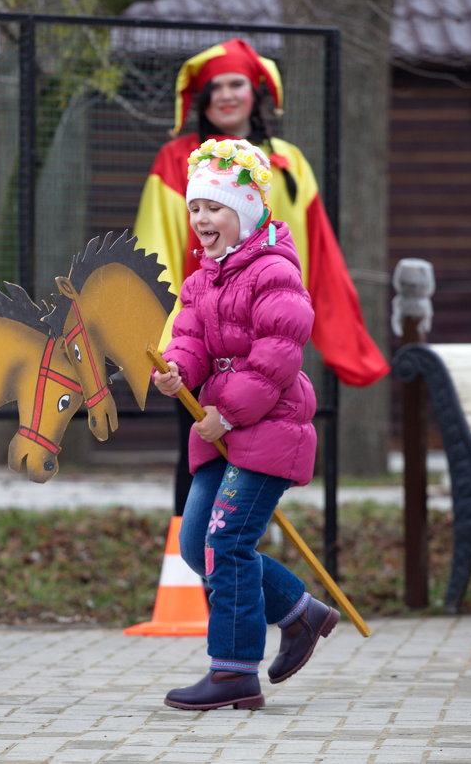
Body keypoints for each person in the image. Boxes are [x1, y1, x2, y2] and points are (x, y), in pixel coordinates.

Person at [133, 37, 389, 515]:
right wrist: (170, 346)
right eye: (215, 88)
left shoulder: (288, 164)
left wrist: (320, 334)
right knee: (198, 466)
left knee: (255, 470)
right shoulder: (175, 161)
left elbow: (315, 252)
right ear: (202, 99)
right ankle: (197, 578)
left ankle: (237, 573)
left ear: (256, 92)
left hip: (265, 343)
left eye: (237, 84)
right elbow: (156, 250)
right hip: (199, 342)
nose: (226, 96)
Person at [152, 138, 338, 711]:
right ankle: (299, 613)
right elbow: (189, 342)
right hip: (222, 428)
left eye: (214, 206)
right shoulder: (200, 281)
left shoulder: (274, 272)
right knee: (194, 543)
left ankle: (233, 672)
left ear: (248, 209)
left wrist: (226, 411)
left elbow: (280, 353)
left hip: (269, 428)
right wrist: (176, 374)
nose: (201, 219)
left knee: (226, 543)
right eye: (195, 208)